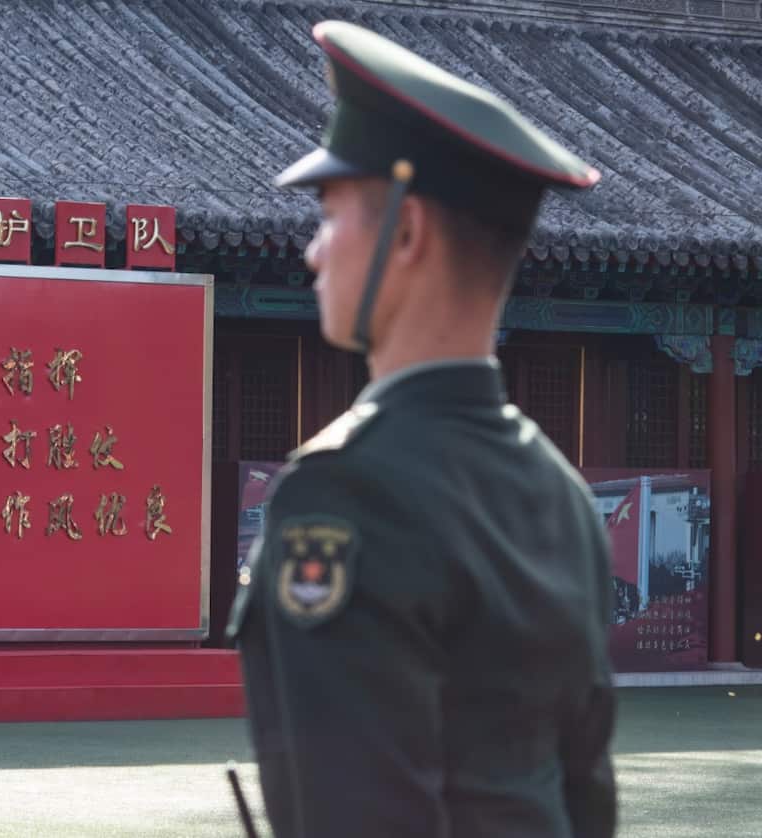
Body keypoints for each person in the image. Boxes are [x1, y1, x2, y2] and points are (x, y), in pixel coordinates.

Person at [225, 21, 616, 838]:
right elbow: (587, 799)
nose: (311, 253)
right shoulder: (562, 494)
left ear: (405, 235)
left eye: (329, 217)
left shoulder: (343, 495)